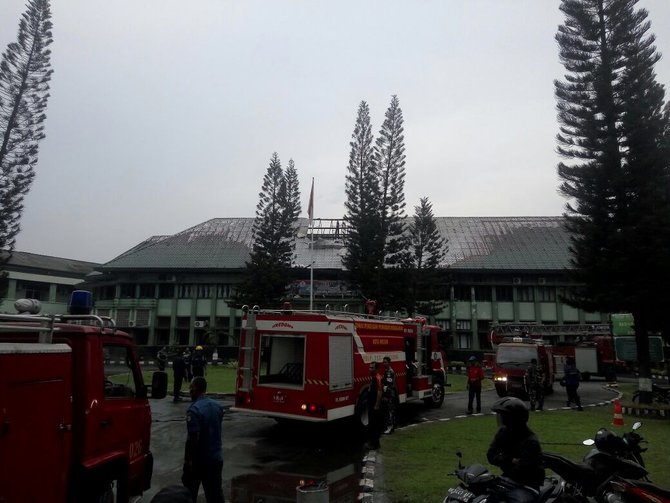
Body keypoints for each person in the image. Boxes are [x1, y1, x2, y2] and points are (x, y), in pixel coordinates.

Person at [487, 397, 545, 503]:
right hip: (507, 480)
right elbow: (490, 455)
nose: (501, 419)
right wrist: (510, 460)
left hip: (528, 485)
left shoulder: (530, 441)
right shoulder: (503, 433)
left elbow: (522, 470)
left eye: (504, 416)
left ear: (513, 419)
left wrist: (503, 459)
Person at [182, 376, 225, 503]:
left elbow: (193, 439)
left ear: (195, 389)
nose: (189, 391)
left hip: (199, 462)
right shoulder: (217, 406)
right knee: (215, 496)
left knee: (189, 496)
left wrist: (187, 462)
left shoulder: (194, 410)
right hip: (216, 459)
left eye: (191, 388)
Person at [366, 361, 384, 450]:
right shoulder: (373, 377)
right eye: (370, 367)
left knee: (375, 424)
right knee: (371, 424)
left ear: (376, 369)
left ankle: (375, 444)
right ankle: (372, 442)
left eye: (372, 368)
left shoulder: (378, 378)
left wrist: (376, 404)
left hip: (374, 405)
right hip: (371, 403)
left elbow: (380, 391)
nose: (370, 369)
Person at [381, 356, 397, 433]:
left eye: (385, 362)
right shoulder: (386, 371)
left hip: (390, 394)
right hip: (388, 393)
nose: (384, 363)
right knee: (388, 410)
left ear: (389, 363)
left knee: (390, 410)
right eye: (383, 362)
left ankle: (390, 427)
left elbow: (390, 385)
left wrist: (386, 395)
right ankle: (390, 427)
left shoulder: (390, 372)